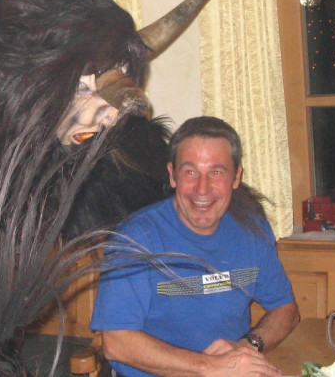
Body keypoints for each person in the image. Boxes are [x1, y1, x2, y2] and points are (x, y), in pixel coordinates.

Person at [90, 116, 300, 377]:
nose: (202, 188)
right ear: (172, 175)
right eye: (190, 172)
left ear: (236, 177)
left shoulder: (253, 231)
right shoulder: (134, 239)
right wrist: (210, 367)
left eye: (216, 172)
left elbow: (286, 310)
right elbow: (117, 343)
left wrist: (246, 346)